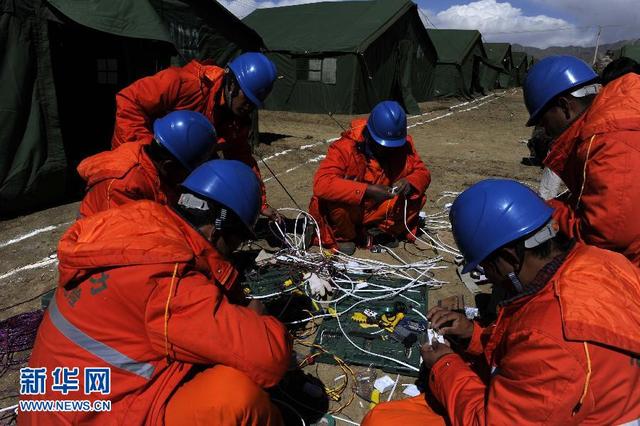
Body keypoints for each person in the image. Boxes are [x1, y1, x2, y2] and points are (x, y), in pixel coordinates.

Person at [21, 160, 291, 425]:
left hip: (52, 406)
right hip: (89, 416)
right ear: (216, 228)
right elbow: (270, 359)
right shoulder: (168, 278)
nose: (234, 250)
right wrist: (260, 321)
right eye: (237, 240)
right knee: (235, 398)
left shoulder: (142, 225)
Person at [362, 179, 640, 425]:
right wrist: (475, 336)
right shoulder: (605, 262)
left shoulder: (552, 340)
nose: (489, 279)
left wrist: (444, 363)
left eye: (486, 267)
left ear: (509, 257)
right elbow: (527, 344)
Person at [111, 52, 280, 219]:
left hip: (177, 171)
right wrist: (147, 152)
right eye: (247, 98)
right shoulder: (185, 83)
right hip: (138, 160)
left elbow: (241, 158)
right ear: (232, 83)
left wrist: (259, 203)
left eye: (254, 103)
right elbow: (129, 101)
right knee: (128, 220)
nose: (248, 107)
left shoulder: (236, 121)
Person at [524, 55, 640, 265]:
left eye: (543, 120)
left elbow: (605, 236)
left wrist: (547, 211)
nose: (544, 129)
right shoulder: (618, 115)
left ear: (565, 106)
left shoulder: (607, 141)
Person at [308, 101, 431, 254]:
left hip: (376, 210)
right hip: (351, 212)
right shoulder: (344, 148)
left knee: (415, 196)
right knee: (336, 201)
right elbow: (322, 184)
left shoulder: (403, 147)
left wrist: (409, 182)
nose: (388, 150)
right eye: (384, 146)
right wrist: (367, 190)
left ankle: (378, 231)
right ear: (370, 136)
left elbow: (423, 173)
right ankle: (344, 237)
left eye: (393, 147)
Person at [77, 110, 216, 218]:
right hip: (100, 239)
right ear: (168, 166)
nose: (188, 178)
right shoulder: (124, 185)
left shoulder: (153, 155)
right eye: (188, 173)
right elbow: (122, 241)